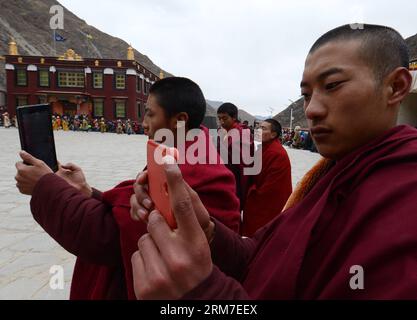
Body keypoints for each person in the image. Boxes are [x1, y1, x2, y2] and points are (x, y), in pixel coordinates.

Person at [130, 24, 417, 299]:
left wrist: (201, 292)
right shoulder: (335, 172)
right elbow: (262, 256)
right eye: (306, 95)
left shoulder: (405, 195)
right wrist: (210, 233)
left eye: (332, 85)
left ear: (396, 86)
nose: (312, 109)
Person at [15, 77, 240, 300]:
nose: (144, 123)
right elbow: (127, 212)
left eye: (151, 114)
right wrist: (86, 192)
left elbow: (106, 234)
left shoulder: (189, 170)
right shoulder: (182, 152)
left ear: (179, 120)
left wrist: (44, 185)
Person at [241, 119, 292, 237]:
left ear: (273, 134)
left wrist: (250, 192)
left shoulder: (277, 154)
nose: (258, 130)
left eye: (263, 128)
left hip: (266, 203)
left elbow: (272, 190)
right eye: (258, 127)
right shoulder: (263, 148)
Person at [217, 103, 254, 210]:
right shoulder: (222, 131)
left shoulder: (242, 133)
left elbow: (244, 160)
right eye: (219, 119)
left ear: (234, 117)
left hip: (237, 176)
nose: (221, 122)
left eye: (225, 118)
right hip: (225, 173)